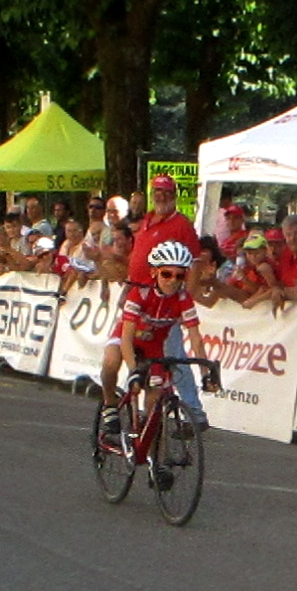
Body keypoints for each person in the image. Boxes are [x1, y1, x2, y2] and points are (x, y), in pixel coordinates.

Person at [97, 241, 218, 440]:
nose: (173, 281)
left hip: (154, 345)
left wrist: (205, 372)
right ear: (154, 272)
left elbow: (196, 339)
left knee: (154, 400)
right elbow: (126, 339)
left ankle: (152, 452)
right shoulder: (140, 293)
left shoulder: (182, 298)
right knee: (111, 361)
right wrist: (133, 370)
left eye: (180, 276)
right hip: (127, 337)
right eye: (166, 274)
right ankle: (109, 405)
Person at [128, 174, 208, 430]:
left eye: (166, 192)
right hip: (140, 298)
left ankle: (194, 413)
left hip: (167, 300)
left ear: (174, 195)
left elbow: (195, 262)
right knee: (139, 355)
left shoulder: (181, 224)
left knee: (173, 357)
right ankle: (141, 410)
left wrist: (186, 298)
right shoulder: (147, 220)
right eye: (157, 192)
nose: (161, 196)